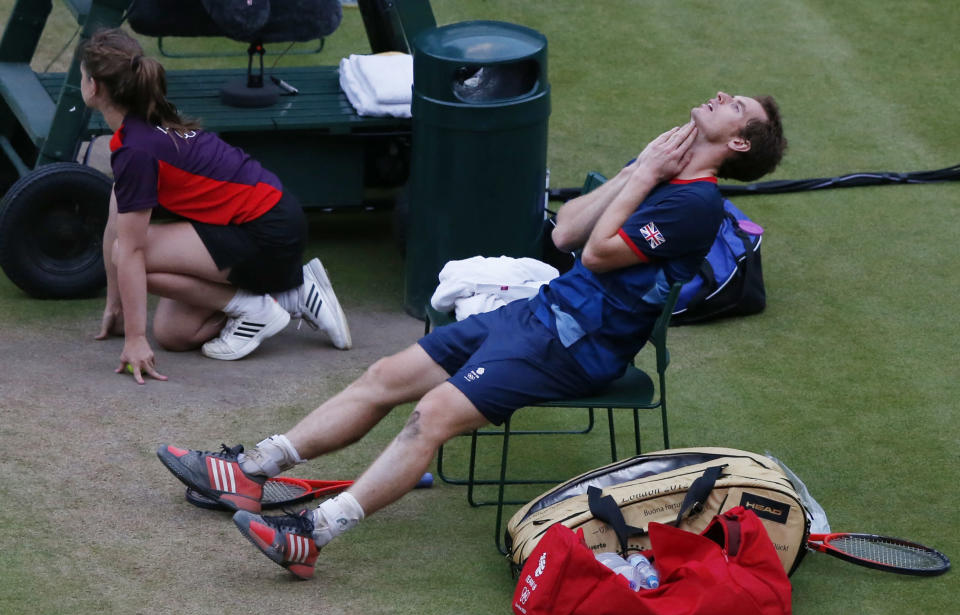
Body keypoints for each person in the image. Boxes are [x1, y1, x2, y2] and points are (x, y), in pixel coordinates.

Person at [158, 91, 787, 579]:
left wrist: (647, 176)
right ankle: (251, 471)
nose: (721, 95)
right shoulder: (661, 166)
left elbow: (596, 255)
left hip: (575, 345)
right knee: (384, 378)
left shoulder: (693, 205)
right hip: (539, 314)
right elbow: (565, 231)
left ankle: (312, 535)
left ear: (736, 142)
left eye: (735, 106)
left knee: (428, 416)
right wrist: (639, 170)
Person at [79, 28, 351, 384]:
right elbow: (120, 211)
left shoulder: (136, 148)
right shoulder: (143, 122)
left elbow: (129, 249)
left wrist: (135, 339)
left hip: (267, 231)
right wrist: (115, 306)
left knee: (126, 253)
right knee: (175, 333)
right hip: (256, 223)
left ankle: (268, 302)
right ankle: (284, 295)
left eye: (82, 75)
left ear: (94, 87)